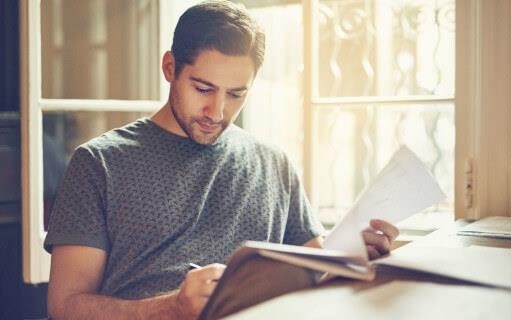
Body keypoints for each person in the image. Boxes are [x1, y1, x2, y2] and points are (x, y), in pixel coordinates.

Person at [44, 1, 399, 319]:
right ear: (170, 67)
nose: (217, 111)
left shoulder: (273, 163)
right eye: (203, 88)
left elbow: (317, 268)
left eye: (235, 94)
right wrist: (171, 308)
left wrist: (356, 255)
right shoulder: (99, 163)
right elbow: (66, 305)